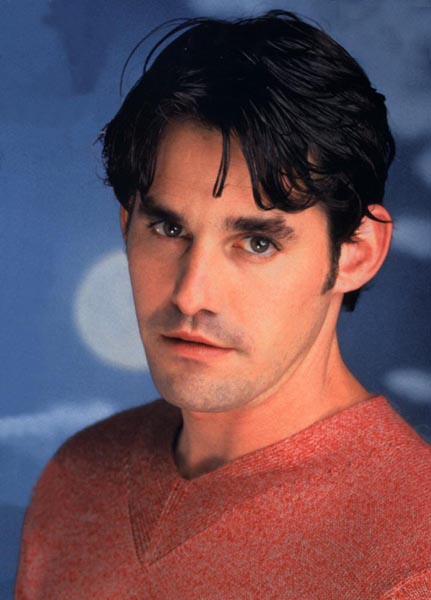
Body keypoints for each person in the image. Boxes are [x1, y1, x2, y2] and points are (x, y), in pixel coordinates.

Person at [15, 10, 430, 599]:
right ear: (127, 227)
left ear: (356, 254)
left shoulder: (412, 561)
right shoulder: (75, 481)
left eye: (257, 243)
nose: (191, 293)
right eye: (169, 229)